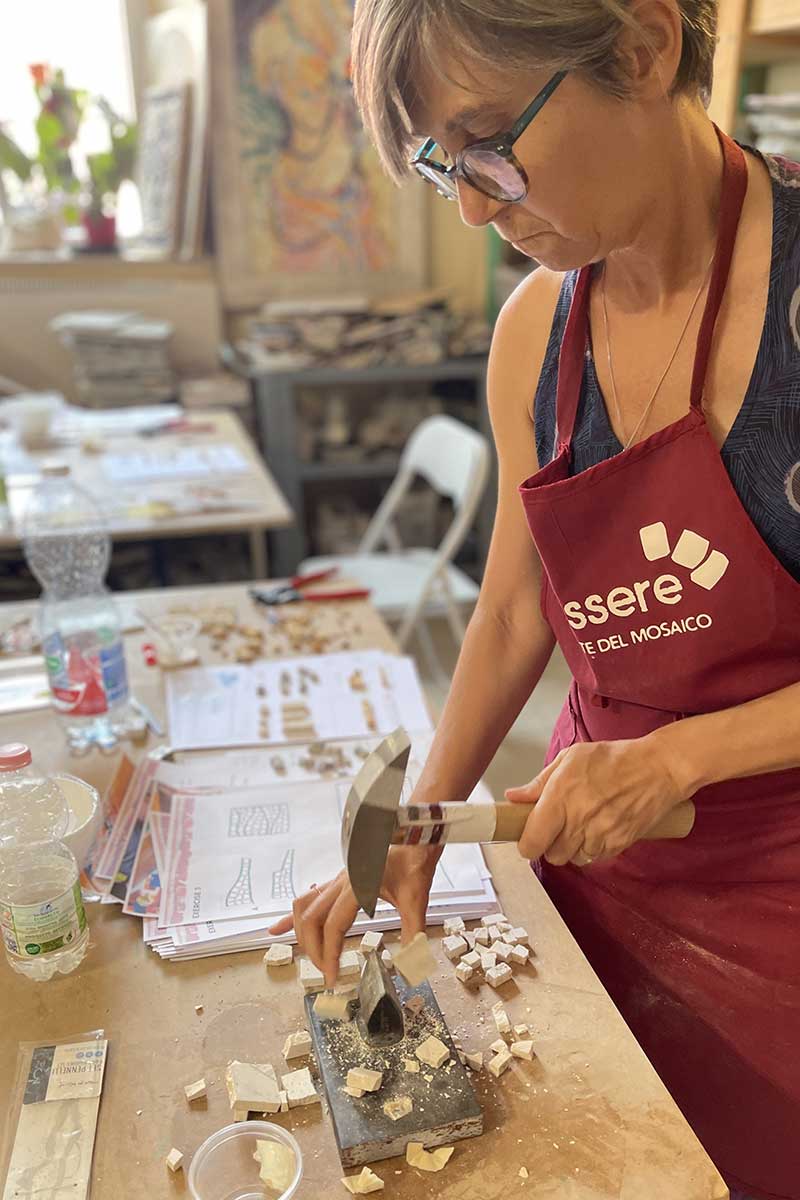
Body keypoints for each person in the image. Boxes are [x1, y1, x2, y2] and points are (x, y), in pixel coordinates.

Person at [270, 3, 800, 1196]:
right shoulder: (536, 330)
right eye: (437, 163)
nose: (467, 205)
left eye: (486, 144)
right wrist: (420, 813)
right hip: (590, 868)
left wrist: (679, 760)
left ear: (644, 44)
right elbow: (515, 612)